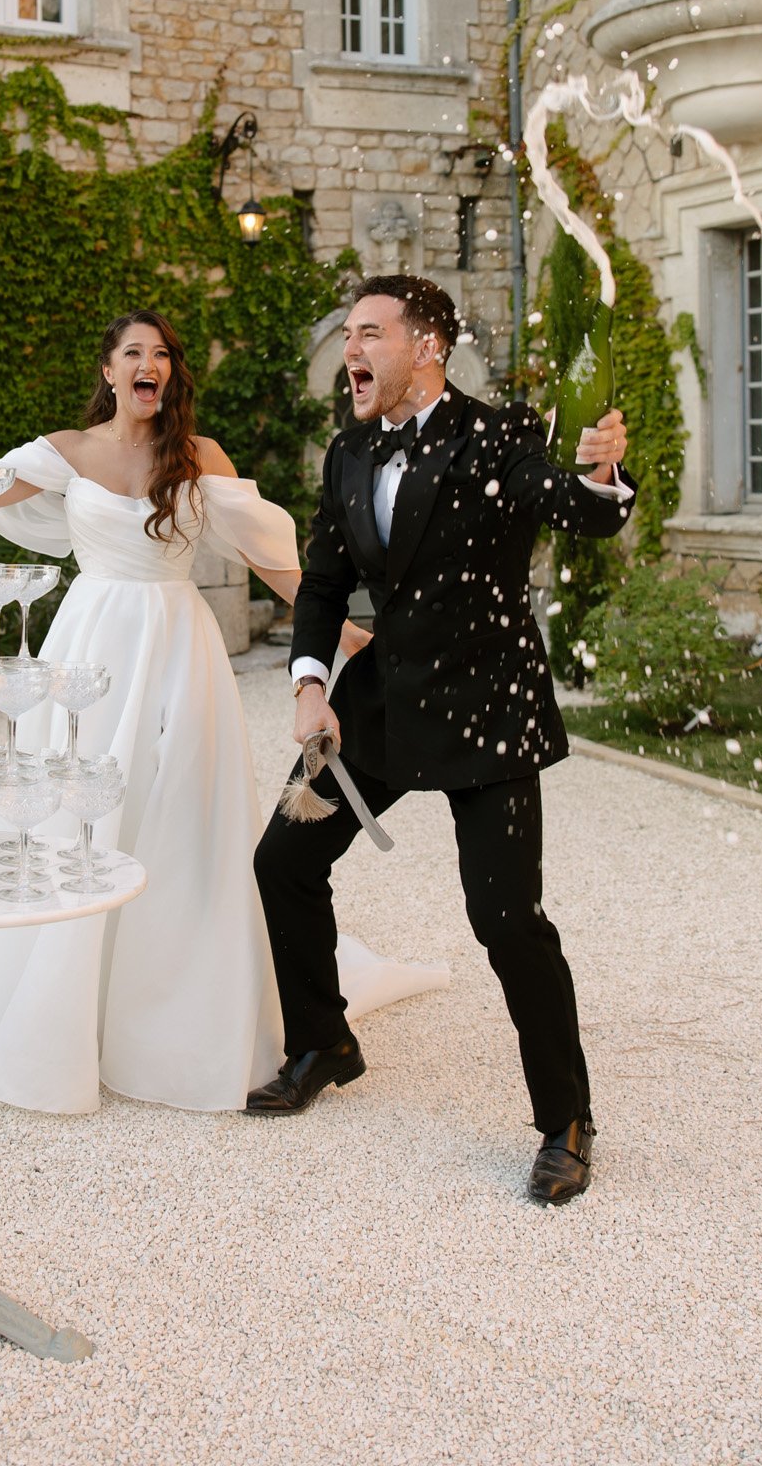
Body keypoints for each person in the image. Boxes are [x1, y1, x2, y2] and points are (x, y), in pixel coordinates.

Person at [0, 309, 445, 1114]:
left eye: (161, 354)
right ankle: (65, 1009)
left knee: (180, 820)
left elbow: (277, 565)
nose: (148, 364)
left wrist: (349, 639)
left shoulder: (198, 458)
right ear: (110, 372)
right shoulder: (67, 451)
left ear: (169, 374)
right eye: (132, 353)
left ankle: (171, 1013)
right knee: (76, 819)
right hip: (87, 646)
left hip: (175, 648)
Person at [247, 274, 635, 1205]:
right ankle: (322, 1041)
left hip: (489, 714)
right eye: (347, 332)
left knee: (506, 921)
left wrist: (600, 473)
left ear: (426, 347)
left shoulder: (499, 434)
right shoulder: (347, 452)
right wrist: (311, 687)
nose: (351, 349)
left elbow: (576, 510)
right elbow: (324, 585)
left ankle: (566, 1120)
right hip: (379, 709)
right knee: (283, 862)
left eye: (369, 332)